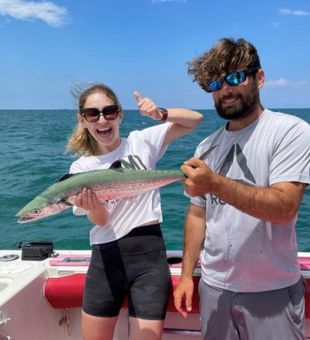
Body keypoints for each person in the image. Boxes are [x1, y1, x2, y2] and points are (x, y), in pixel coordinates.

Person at [173, 38, 310, 340]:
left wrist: (215, 183)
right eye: (215, 83)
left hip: (271, 291)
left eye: (235, 77)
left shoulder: (290, 131)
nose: (226, 90)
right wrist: (185, 276)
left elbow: (284, 207)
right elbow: (198, 215)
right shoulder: (206, 147)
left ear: (259, 78)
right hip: (214, 289)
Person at [66, 83, 203, 340]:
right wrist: (94, 207)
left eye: (109, 111)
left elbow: (195, 120)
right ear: (82, 120)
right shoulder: (80, 168)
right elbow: (102, 220)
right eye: (92, 114)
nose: (102, 119)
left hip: (149, 258)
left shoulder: (141, 142)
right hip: (105, 261)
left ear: (120, 114)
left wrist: (161, 113)